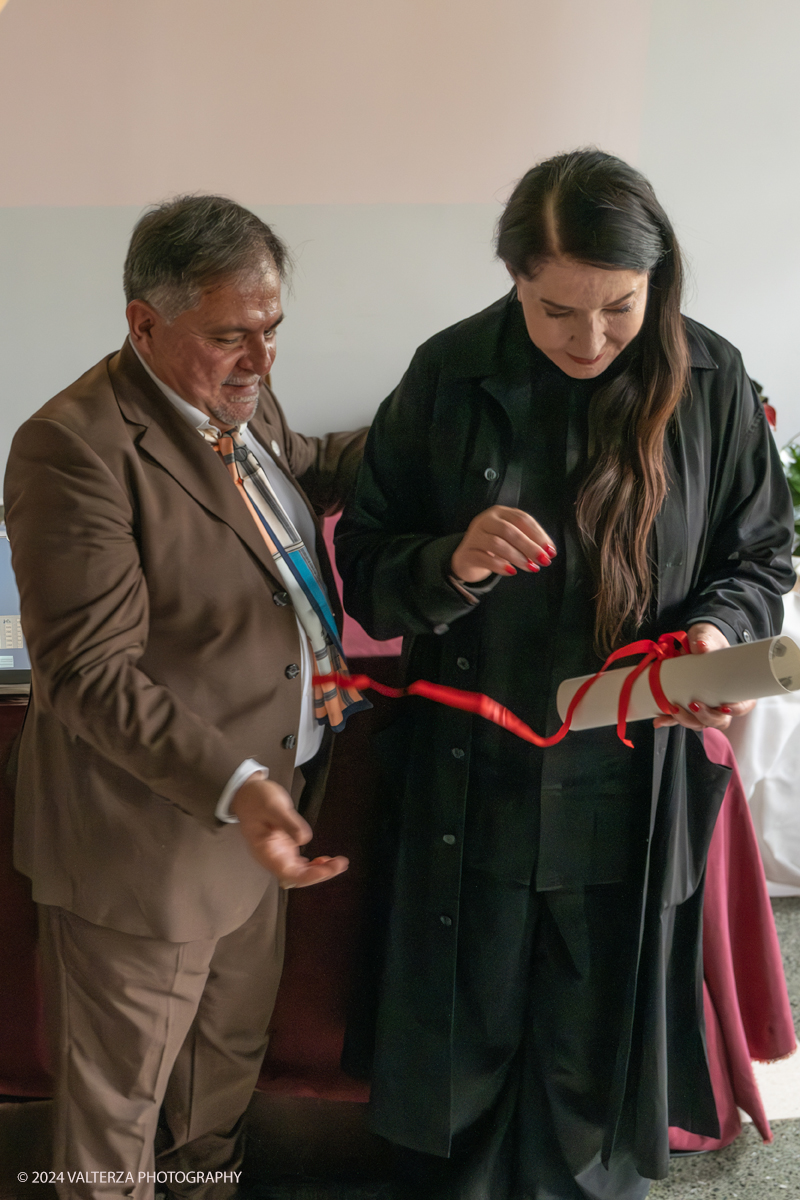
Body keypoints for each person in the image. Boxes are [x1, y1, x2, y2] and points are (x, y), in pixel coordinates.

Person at [335, 150, 796, 1200]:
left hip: (629, 777)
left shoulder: (713, 382)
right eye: (554, 312)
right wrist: (448, 562)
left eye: (617, 310)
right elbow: (363, 566)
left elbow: (758, 558)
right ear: (513, 279)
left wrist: (713, 633)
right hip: (472, 776)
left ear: (655, 281)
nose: (586, 340)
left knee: (597, 1041)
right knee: (468, 1026)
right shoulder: (446, 373)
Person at [4, 195, 366, 1200]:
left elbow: (289, 478)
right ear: (143, 323)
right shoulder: (73, 449)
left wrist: (425, 436)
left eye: (271, 329)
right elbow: (87, 676)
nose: (259, 359)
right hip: (145, 851)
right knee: (108, 1134)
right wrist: (240, 783)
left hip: (257, 831)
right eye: (229, 336)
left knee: (215, 1100)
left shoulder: (237, 398)